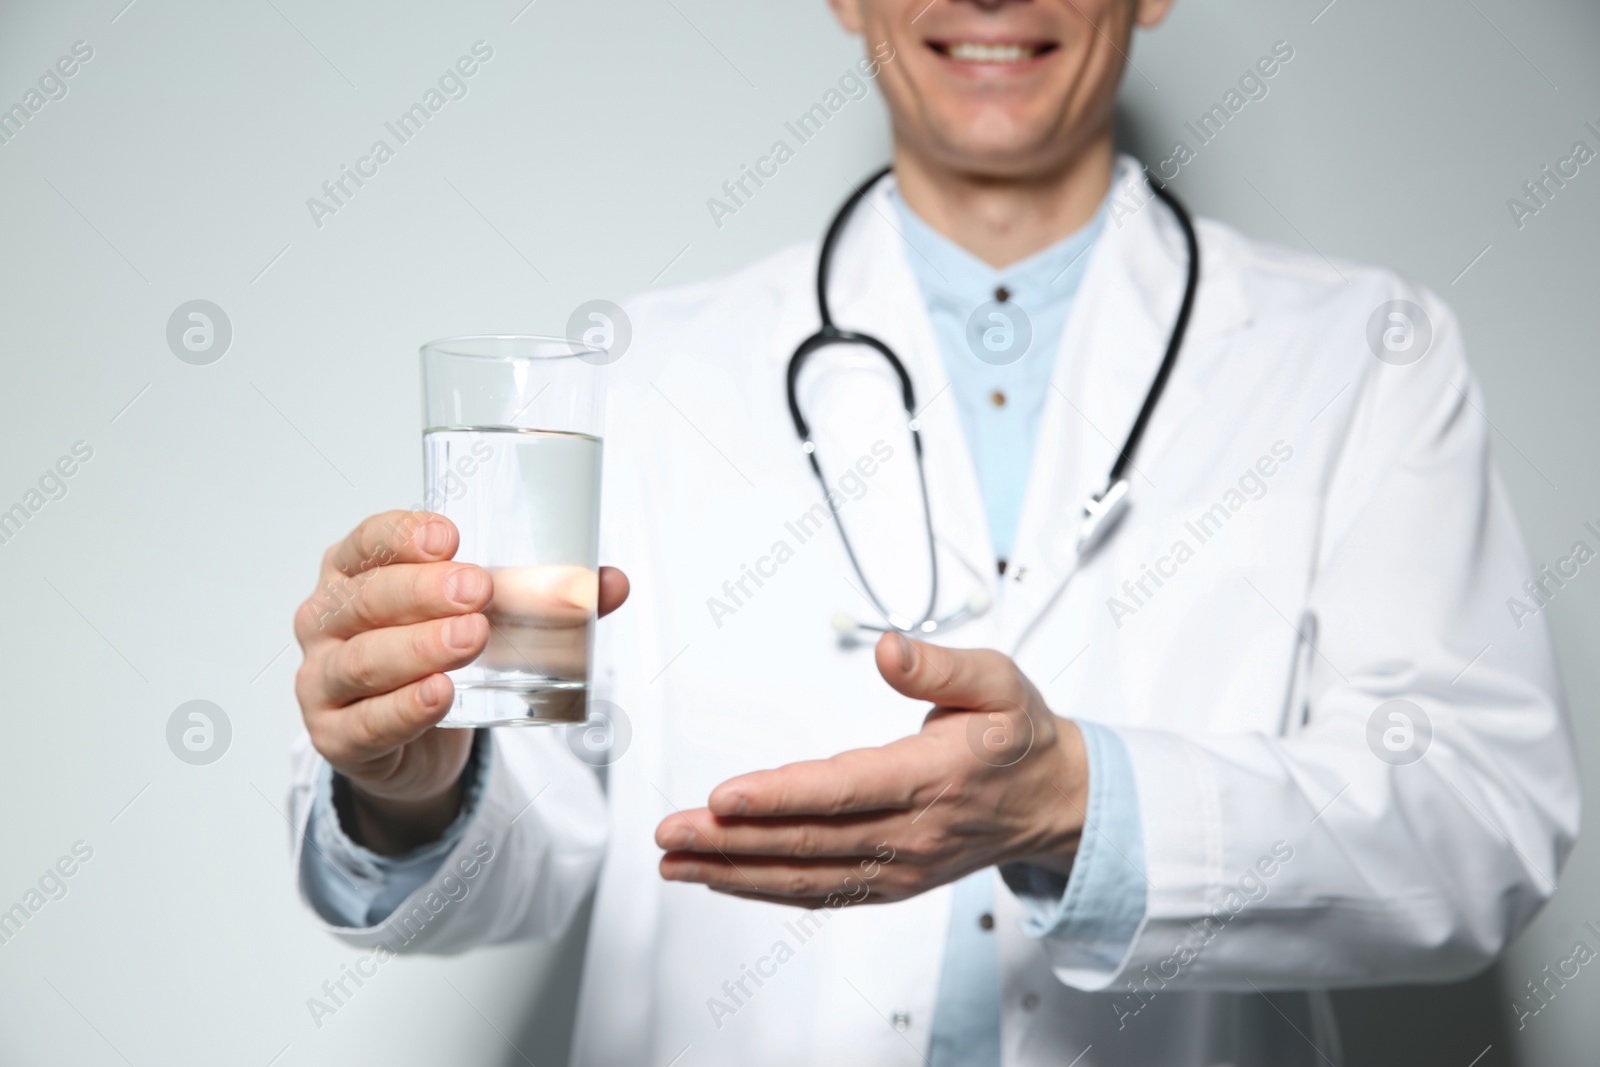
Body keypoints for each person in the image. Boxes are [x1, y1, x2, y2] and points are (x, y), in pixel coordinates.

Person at [287, 0, 1579, 1063]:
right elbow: (536, 856)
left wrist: (1081, 807)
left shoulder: (1363, 355)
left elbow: (1480, 825)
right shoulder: (648, 372)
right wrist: (409, 791)